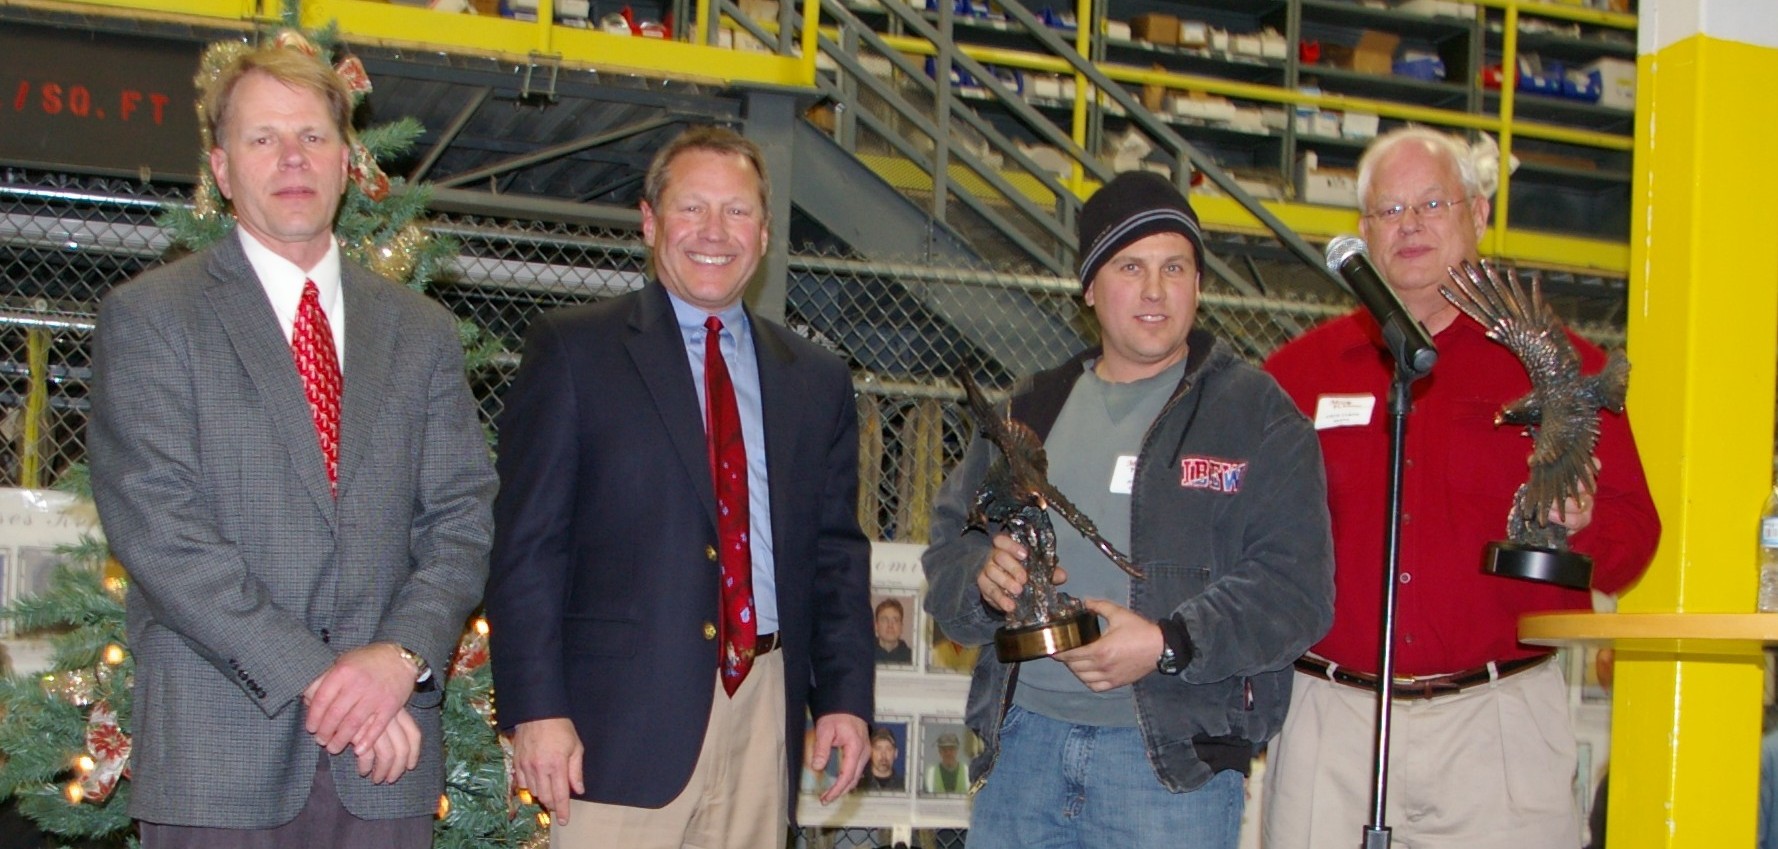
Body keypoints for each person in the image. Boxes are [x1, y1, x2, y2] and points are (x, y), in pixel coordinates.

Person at [87, 43, 496, 847]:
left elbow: (462, 517)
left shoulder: (421, 333)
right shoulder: (153, 318)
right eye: (262, 138)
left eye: (312, 136)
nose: (292, 159)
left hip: (384, 772)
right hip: (218, 762)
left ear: (346, 162)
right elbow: (160, 531)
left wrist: (399, 656)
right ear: (222, 168)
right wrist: (330, 681)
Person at [1261, 126, 1661, 849]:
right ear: (1363, 232)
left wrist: (1585, 522)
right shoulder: (1295, 377)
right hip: (1332, 722)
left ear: (1478, 215)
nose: (1410, 225)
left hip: (1498, 727)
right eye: (1390, 210)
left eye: (1432, 204)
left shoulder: (1561, 370)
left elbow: (1636, 541)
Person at [484, 125, 874, 849]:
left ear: (764, 233)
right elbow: (527, 549)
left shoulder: (816, 380)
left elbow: (835, 556)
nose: (714, 232)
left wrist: (846, 697)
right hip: (615, 730)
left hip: (763, 710)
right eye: (692, 207)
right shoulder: (574, 351)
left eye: (737, 211)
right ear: (650, 221)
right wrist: (536, 708)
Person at [922, 170, 1335, 849]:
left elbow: (1295, 590)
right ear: (1089, 287)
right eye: (1130, 267)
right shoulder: (1030, 408)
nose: (1154, 290)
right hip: (1023, 752)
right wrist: (981, 580)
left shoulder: (1257, 416)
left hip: (1169, 769)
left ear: (1198, 284)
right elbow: (949, 548)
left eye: (1175, 267)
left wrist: (1168, 643)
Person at [858, 728, 905, 792]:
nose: (883, 755)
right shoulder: (858, 786)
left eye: (888, 749)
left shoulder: (905, 787)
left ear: (895, 753)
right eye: (878, 748)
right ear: (870, 752)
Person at [873, 597, 913, 664]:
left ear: (901, 626)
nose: (890, 625)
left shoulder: (911, 658)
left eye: (895, 620)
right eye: (885, 620)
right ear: (876, 626)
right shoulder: (865, 654)